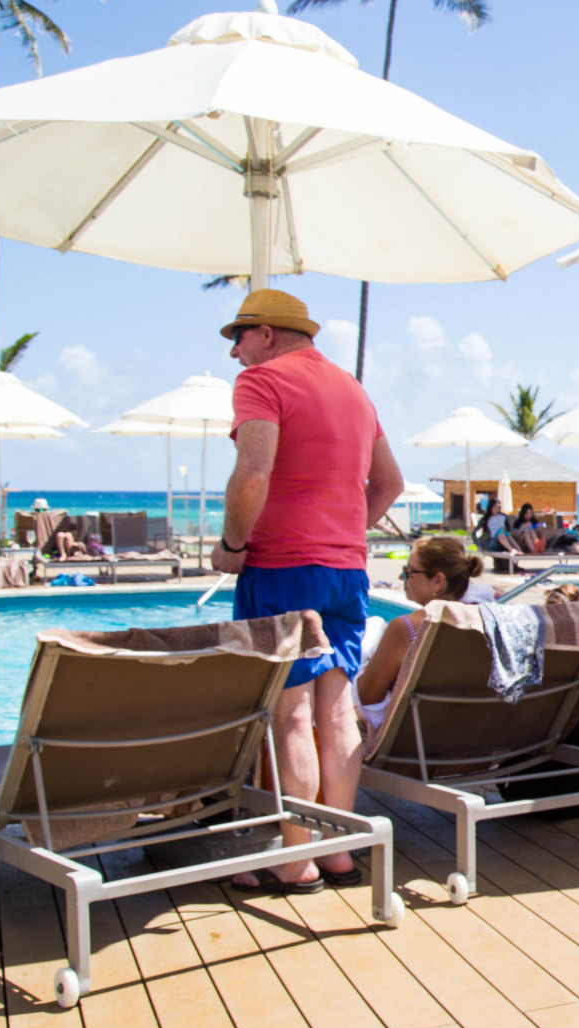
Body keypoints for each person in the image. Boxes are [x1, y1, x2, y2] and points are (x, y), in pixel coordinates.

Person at [210, 288, 404, 895]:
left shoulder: (262, 381)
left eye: (238, 337)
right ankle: (338, 850)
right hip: (346, 571)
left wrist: (233, 546)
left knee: (291, 712)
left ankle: (296, 860)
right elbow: (390, 484)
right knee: (337, 710)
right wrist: (342, 530)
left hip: (280, 569)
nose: (235, 353)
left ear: (266, 333)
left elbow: (253, 472)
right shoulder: (353, 391)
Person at [353, 536, 483, 730]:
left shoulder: (406, 629)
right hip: (469, 735)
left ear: (437, 581)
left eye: (409, 572)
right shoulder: (483, 624)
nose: (401, 578)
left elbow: (366, 697)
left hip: (416, 739)